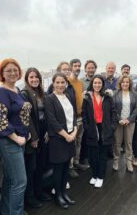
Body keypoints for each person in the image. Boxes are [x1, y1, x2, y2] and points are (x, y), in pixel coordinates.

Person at [0, 58, 35, 215]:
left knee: (11, 180)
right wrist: (17, 138)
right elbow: (0, 121)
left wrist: (26, 132)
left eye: (15, 70)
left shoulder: (17, 91)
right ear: (2, 73)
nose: (12, 73)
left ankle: (8, 211)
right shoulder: (0, 93)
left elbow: (21, 115)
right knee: (20, 182)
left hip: (20, 140)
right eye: (8, 70)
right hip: (9, 142)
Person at [21, 68, 52, 209]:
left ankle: (39, 191)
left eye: (36, 77)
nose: (34, 79)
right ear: (27, 79)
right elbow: (27, 119)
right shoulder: (24, 94)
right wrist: (33, 137)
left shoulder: (42, 94)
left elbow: (47, 115)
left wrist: (47, 132)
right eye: (31, 77)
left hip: (43, 133)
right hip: (32, 136)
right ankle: (30, 196)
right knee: (31, 168)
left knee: (40, 165)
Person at [45, 73, 77, 209]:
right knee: (58, 169)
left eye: (62, 82)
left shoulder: (68, 96)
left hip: (70, 136)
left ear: (66, 84)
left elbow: (73, 115)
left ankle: (64, 192)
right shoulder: (50, 99)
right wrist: (66, 135)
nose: (60, 85)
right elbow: (52, 121)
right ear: (53, 83)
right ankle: (58, 195)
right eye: (57, 82)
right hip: (58, 139)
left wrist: (74, 131)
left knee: (66, 168)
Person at [82, 75, 117, 188]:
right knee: (92, 155)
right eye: (95, 83)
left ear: (103, 84)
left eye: (99, 83)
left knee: (103, 155)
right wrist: (87, 128)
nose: (97, 85)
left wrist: (112, 127)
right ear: (92, 84)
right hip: (92, 128)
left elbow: (113, 113)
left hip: (105, 128)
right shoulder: (87, 98)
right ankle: (94, 174)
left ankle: (100, 176)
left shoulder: (107, 97)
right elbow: (84, 115)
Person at [113, 76, 137, 172]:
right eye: (123, 82)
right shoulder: (115, 93)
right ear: (120, 83)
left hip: (130, 122)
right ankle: (116, 160)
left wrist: (129, 119)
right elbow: (113, 108)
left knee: (128, 143)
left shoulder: (134, 94)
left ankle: (129, 161)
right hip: (118, 122)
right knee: (117, 143)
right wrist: (119, 119)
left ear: (130, 83)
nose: (125, 84)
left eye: (127, 82)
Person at [68, 59, 89, 175]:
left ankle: (76, 162)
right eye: (75, 66)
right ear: (71, 67)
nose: (77, 68)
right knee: (72, 142)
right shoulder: (67, 81)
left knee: (79, 141)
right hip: (72, 118)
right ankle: (70, 167)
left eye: (79, 66)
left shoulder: (80, 83)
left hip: (81, 115)